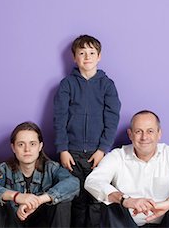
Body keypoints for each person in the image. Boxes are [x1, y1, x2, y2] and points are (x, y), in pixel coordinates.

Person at [84, 110, 169, 228]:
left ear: (159, 134)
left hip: (167, 222)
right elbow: (92, 181)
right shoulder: (117, 155)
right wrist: (125, 200)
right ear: (130, 134)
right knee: (109, 200)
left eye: (150, 131)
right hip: (126, 222)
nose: (144, 137)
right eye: (138, 131)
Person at [53, 34, 122, 227]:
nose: (87, 57)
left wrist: (102, 149)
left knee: (95, 199)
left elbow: (112, 118)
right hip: (72, 153)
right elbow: (59, 118)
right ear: (74, 57)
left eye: (92, 53)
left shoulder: (107, 85)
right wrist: (63, 150)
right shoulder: (67, 84)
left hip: (97, 153)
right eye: (82, 53)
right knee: (77, 199)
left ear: (99, 56)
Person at [0, 121, 80, 227]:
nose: (27, 149)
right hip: (12, 222)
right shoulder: (3, 169)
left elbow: (73, 183)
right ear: (13, 148)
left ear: (40, 146)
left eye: (32, 144)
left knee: (62, 203)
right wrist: (17, 196)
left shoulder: (51, 168)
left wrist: (38, 200)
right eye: (21, 144)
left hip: (42, 222)